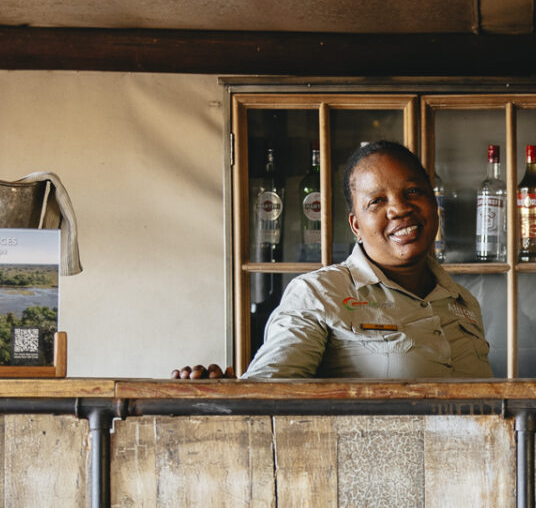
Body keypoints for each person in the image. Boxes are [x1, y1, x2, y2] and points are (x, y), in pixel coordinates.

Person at [174, 142, 492, 379]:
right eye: (377, 201)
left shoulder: (463, 300)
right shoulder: (318, 294)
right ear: (356, 225)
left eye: (412, 191)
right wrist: (230, 394)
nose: (399, 209)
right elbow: (270, 390)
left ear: (433, 204)